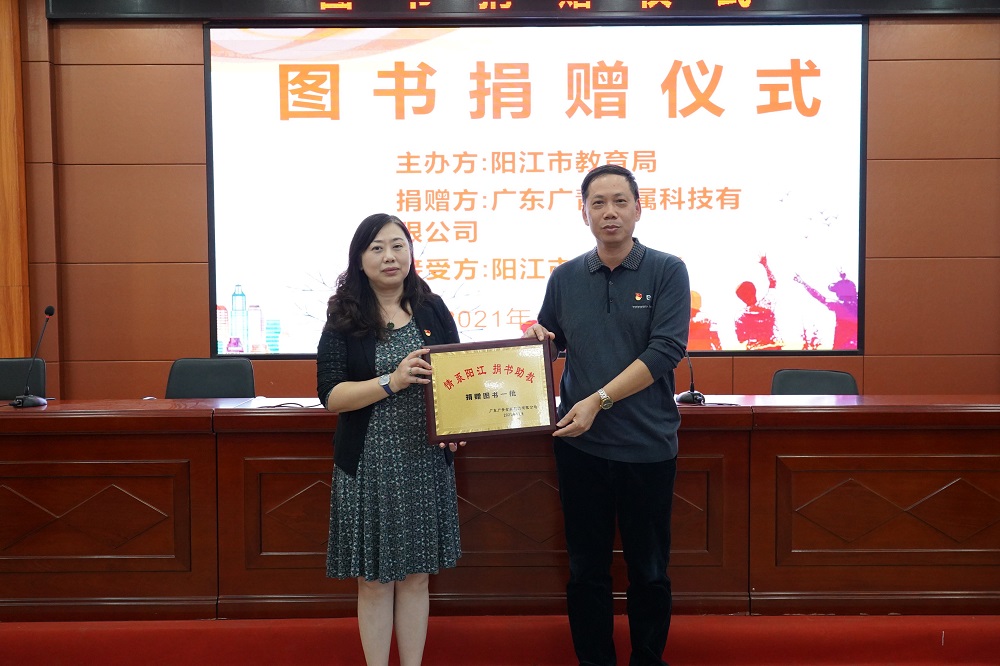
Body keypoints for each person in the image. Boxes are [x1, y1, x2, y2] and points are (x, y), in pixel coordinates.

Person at [525, 165, 690, 666]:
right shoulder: (565, 278)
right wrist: (537, 341)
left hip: (647, 446)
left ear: (638, 209)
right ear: (584, 214)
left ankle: (647, 659)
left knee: (649, 571)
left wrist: (599, 400)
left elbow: (665, 350)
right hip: (582, 448)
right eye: (598, 203)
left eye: (620, 201)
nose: (610, 212)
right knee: (586, 571)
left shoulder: (667, 270)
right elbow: (552, 344)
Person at [316, 213, 463, 666]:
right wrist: (391, 381)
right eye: (377, 248)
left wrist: (458, 427)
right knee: (375, 580)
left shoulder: (431, 307)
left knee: (416, 577)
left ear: (410, 253)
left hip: (423, 461)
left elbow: (456, 376)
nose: (390, 256)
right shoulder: (344, 316)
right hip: (369, 464)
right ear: (360, 259)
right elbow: (331, 396)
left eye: (398, 245)